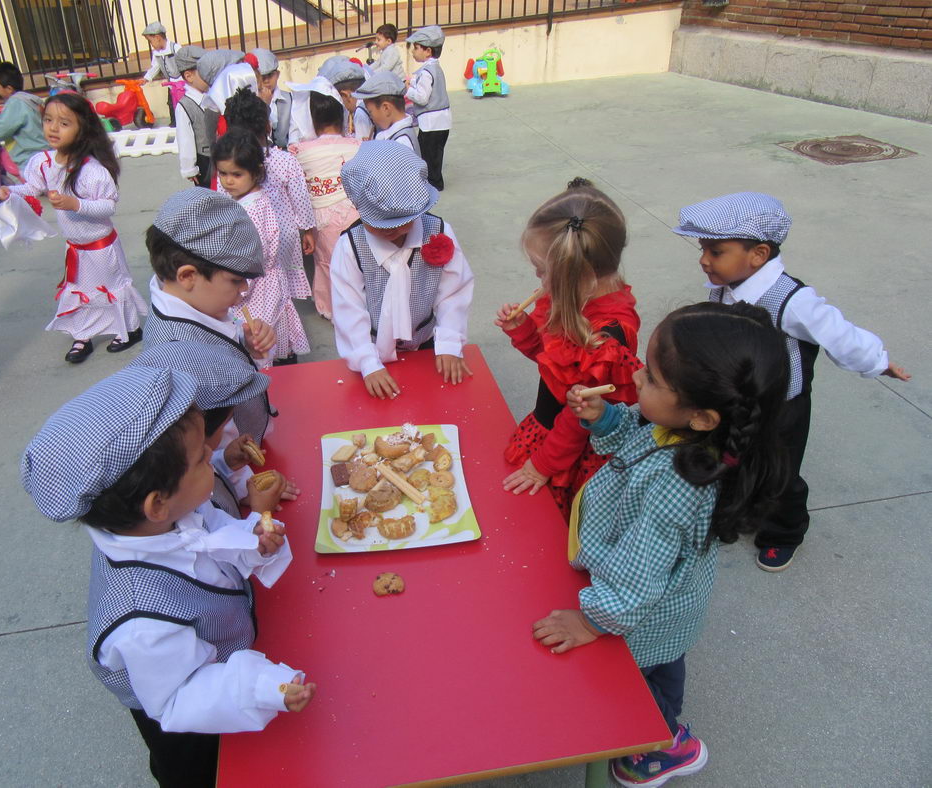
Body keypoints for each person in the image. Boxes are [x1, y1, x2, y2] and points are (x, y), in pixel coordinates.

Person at [534, 301, 792, 787]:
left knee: (646, 680)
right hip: (656, 597)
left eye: (651, 379)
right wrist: (607, 421)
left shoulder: (678, 484)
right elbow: (639, 442)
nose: (637, 381)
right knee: (662, 668)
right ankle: (661, 725)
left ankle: (667, 744)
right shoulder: (683, 433)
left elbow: (639, 579)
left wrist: (592, 620)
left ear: (703, 417)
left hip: (646, 612)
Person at [21, 364, 316, 788]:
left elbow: (206, 529)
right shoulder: (141, 621)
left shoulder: (155, 520)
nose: (212, 463)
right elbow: (181, 696)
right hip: (190, 713)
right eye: (201, 461)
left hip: (216, 656)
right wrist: (264, 687)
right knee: (200, 773)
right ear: (157, 504)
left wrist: (250, 541)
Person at [672, 192, 911, 572]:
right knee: (734, 455)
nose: (704, 260)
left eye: (715, 251)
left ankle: (784, 530)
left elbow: (838, 334)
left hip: (782, 405)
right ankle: (738, 508)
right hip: (738, 398)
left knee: (778, 470)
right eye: (703, 249)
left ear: (759, 254)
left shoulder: (791, 300)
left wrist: (877, 361)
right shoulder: (728, 284)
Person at [496, 178, 642, 520]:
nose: (536, 276)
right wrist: (526, 332)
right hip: (552, 428)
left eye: (541, 269)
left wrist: (542, 465)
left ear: (574, 272)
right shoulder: (568, 297)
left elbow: (580, 414)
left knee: (557, 521)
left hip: (573, 448)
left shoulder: (607, 336)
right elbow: (555, 368)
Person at [1, 93, 147, 363]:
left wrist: (75, 204)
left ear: (82, 129)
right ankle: (83, 334)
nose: (53, 128)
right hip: (75, 248)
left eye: (64, 123)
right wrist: (9, 191)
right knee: (79, 289)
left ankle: (129, 329)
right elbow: (32, 189)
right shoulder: (43, 163)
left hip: (101, 245)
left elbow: (107, 207)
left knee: (111, 287)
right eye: (48, 120)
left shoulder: (93, 170)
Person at [331, 140, 474, 399]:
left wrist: (450, 342)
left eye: (403, 223)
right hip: (371, 347)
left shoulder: (439, 233)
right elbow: (347, 309)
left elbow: (453, 293)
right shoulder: (350, 246)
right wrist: (367, 361)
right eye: (381, 224)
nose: (393, 231)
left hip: (427, 344)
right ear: (358, 208)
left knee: (430, 402)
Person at [142, 187, 278, 441]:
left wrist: (246, 347)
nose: (244, 290)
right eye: (236, 281)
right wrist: (230, 466)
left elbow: (221, 353)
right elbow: (196, 447)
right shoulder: (175, 353)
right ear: (188, 276)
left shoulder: (194, 303)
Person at [129, 340, 299, 517]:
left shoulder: (167, 468)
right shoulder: (182, 515)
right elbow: (218, 538)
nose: (210, 455)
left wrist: (224, 462)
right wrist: (260, 514)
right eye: (203, 457)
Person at [213, 128, 310, 367]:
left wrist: (233, 291)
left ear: (256, 173)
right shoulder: (254, 200)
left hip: (253, 289)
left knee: (258, 344)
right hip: (268, 284)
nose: (228, 181)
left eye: (236, 174)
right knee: (272, 342)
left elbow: (249, 261)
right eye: (223, 173)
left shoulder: (250, 211)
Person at [224, 87, 315, 313]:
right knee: (279, 287)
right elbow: (300, 198)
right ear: (267, 126)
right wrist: (308, 230)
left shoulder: (228, 169)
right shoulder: (284, 160)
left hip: (247, 238)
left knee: (254, 290)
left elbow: (223, 202)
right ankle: (284, 331)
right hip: (282, 236)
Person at [289, 92, 362, 319]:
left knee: (327, 263)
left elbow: (297, 191)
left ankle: (333, 308)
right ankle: (362, 305)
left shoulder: (299, 151)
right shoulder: (356, 145)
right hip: (356, 212)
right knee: (358, 261)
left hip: (322, 218)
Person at [405, 25, 451, 191]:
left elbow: (422, 98)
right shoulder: (435, 68)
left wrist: (408, 89)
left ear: (428, 51)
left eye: (416, 48)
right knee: (436, 154)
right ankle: (436, 181)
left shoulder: (426, 72)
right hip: (443, 120)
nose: (413, 51)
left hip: (431, 122)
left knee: (426, 154)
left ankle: (432, 185)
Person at [0, 61, 46, 180]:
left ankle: (34, 186)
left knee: (16, 166)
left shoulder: (15, 103)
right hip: (45, 152)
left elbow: (4, 126)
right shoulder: (31, 99)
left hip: (29, 157)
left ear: (9, 88)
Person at [172, 45, 219, 187]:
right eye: (204, 71)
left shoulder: (213, 96)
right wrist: (189, 168)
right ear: (189, 76)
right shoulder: (185, 106)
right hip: (204, 161)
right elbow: (185, 138)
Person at [352, 71, 419, 156]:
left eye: (370, 112)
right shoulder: (395, 136)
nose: (372, 118)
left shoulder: (401, 143)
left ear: (386, 108)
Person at [245, 48, 291, 148]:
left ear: (278, 74)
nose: (266, 81)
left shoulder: (289, 99)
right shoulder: (247, 102)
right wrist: (264, 105)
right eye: (262, 76)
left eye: (270, 75)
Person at [140, 21, 182, 125]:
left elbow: (185, 63)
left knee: (183, 104)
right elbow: (155, 67)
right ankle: (174, 124)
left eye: (151, 41)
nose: (151, 45)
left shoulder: (175, 48)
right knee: (171, 104)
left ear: (158, 38)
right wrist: (146, 78)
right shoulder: (156, 53)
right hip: (171, 85)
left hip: (181, 84)